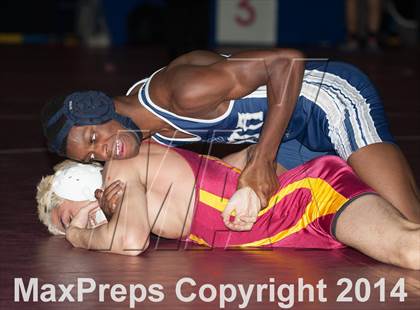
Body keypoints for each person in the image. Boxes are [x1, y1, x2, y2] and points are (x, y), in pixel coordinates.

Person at [41, 49, 420, 223]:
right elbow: (196, 187)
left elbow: (286, 62)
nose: (104, 152)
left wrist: (263, 159)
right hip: (287, 137)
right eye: (93, 157)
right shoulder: (147, 134)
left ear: (99, 107)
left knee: (407, 221)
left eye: (94, 139)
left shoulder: (180, 91)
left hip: (328, 102)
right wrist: (116, 213)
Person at [36, 142, 420, 270]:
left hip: (314, 199)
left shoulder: (123, 167)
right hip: (295, 228)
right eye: (63, 227)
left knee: (407, 246)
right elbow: (226, 170)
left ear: (79, 184)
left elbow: (131, 241)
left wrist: (79, 235)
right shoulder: (140, 189)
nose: (68, 228)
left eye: (66, 216)